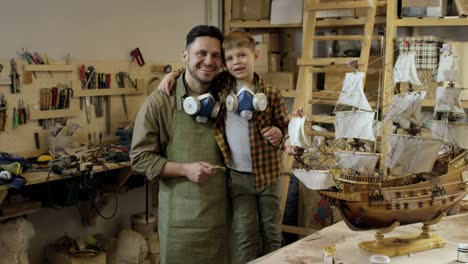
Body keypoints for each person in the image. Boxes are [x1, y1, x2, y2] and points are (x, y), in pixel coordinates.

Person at [158, 31, 290, 264]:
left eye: (242, 55)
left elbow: (285, 127)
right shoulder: (220, 87)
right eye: (229, 58)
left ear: (256, 55)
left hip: (269, 175)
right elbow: (194, 72)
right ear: (224, 64)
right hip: (238, 177)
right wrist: (173, 74)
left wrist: (282, 135)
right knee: (243, 234)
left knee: (271, 232)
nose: (236, 62)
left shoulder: (271, 94)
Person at [130, 25, 229, 264]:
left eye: (216, 55)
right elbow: (139, 158)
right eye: (201, 53)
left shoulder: (228, 93)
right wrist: (185, 169)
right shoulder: (161, 101)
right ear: (185, 55)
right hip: (181, 225)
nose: (208, 61)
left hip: (224, 220)